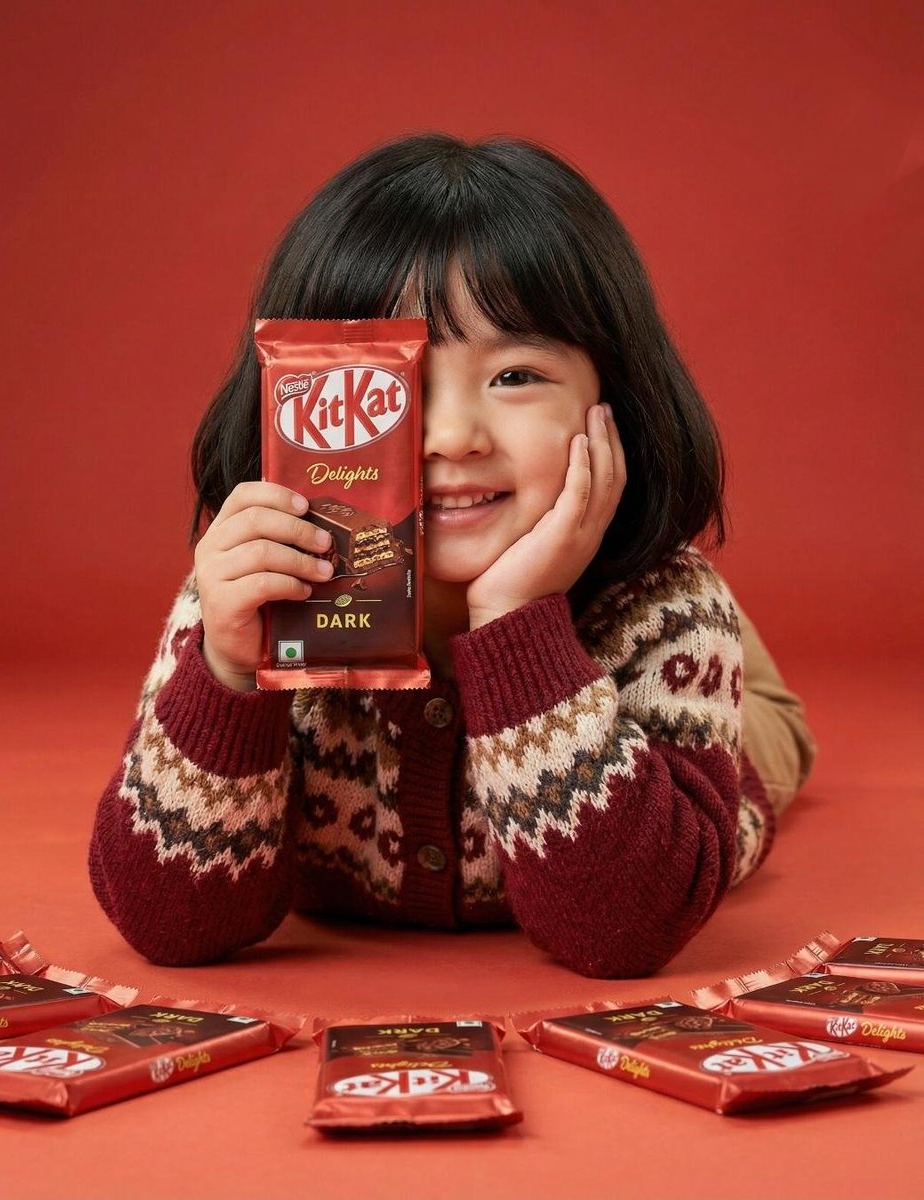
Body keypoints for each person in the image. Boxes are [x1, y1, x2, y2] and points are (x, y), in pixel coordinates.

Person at [90, 134, 816, 977]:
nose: (453, 438)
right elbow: (171, 924)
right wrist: (226, 671)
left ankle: (733, 662)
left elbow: (629, 928)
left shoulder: (668, 617)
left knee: (770, 731)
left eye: (514, 376)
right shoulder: (247, 605)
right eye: (392, 386)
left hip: (652, 705)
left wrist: (518, 623)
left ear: (616, 400)